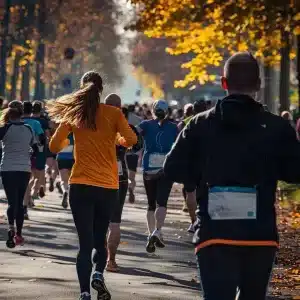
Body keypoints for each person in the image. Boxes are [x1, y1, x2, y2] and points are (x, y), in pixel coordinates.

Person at [164, 52, 300, 300]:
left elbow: (172, 168)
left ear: (223, 83)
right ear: (259, 85)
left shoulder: (198, 125)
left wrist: (200, 175)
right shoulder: (278, 128)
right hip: (260, 235)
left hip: (214, 234)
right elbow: (295, 173)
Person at [47, 71, 137, 300]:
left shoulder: (74, 114)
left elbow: (55, 146)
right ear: (101, 89)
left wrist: (70, 139)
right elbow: (132, 140)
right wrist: (117, 139)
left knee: (84, 244)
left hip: (80, 185)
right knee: (100, 239)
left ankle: (85, 292)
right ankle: (98, 273)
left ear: (82, 88)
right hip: (108, 186)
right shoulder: (113, 113)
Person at [104, 94, 142, 272]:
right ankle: (111, 261)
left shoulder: (96, 124)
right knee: (115, 222)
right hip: (120, 175)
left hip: (98, 175)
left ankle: (100, 258)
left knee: (100, 222)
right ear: (120, 108)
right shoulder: (126, 126)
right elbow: (137, 145)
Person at [137, 100, 177, 253]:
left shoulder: (145, 125)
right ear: (168, 112)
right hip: (166, 168)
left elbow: (133, 133)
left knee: (151, 204)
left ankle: (150, 234)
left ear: (153, 110)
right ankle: (158, 231)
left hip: (149, 169)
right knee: (162, 203)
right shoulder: (174, 128)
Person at [0, 101, 38, 248]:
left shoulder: (5, 129)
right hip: (24, 169)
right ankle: (19, 235)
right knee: (21, 202)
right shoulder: (28, 129)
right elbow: (35, 149)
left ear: (9, 114)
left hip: (7, 168)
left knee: (11, 202)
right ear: (22, 114)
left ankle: (11, 228)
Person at [22, 101, 46, 219]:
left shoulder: (14, 122)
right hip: (30, 154)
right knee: (32, 177)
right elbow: (42, 139)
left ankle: (20, 205)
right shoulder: (35, 123)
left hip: (12, 156)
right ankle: (25, 205)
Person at [31, 100, 51, 197]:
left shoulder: (26, 120)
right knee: (40, 169)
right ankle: (37, 189)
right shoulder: (43, 121)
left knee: (30, 170)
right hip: (40, 148)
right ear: (41, 110)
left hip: (28, 148)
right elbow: (47, 136)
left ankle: (30, 191)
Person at [126, 104, 142, 203]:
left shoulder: (122, 119)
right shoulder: (138, 120)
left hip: (122, 151)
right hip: (134, 151)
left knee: (121, 173)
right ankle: (131, 187)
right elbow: (140, 136)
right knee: (132, 175)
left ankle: (121, 190)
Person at [56, 133, 74, 209]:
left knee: (63, 180)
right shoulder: (75, 131)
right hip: (72, 157)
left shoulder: (60, 132)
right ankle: (69, 194)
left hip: (62, 157)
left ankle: (65, 191)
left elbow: (54, 146)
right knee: (71, 180)